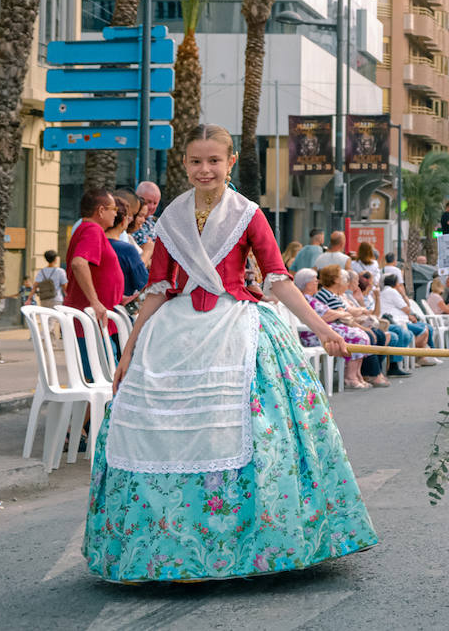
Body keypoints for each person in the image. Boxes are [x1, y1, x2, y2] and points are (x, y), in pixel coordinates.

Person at [85, 124, 377, 582]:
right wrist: (131, 348)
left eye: (214, 161)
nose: (205, 170)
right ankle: (167, 549)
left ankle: (252, 548)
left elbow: (278, 278)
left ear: (230, 161)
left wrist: (321, 327)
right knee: (158, 434)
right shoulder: (172, 220)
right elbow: (158, 289)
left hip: (236, 326)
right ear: (184, 163)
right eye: (196, 161)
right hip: (173, 335)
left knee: (258, 436)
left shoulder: (248, 214)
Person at [65, 188, 125, 376]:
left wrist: (116, 296)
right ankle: (105, 408)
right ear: (101, 211)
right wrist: (95, 301)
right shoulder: (92, 230)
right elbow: (79, 263)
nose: (116, 213)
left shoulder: (88, 230)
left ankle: (99, 408)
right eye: (113, 208)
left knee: (100, 380)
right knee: (105, 379)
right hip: (92, 324)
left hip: (95, 322)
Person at [293, 267, 372, 389]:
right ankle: (350, 377)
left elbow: (327, 313)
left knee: (360, 334)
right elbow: (324, 315)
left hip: (321, 329)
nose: (317, 282)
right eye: (315, 280)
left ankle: (356, 374)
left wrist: (337, 313)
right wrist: (340, 313)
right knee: (358, 336)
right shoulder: (304, 299)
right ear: (307, 284)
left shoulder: (310, 298)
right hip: (313, 333)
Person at [106, 190, 149, 303]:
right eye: (132, 215)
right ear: (124, 219)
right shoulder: (126, 249)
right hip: (118, 311)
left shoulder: (94, 243)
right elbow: (144, 285)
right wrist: (148, 252)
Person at [131, 180, 161, 249]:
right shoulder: (129, 221)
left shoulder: (156, 222)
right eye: (148, 202)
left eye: (155, 203)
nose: (151, 207)